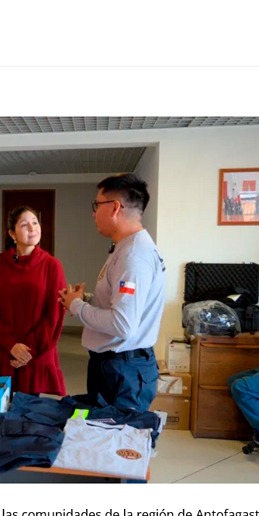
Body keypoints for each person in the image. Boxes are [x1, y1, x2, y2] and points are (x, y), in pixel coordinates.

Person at [59, 174, 166, 414]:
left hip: (122, 373)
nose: (93, 213)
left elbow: (122, 324)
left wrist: (77, 306)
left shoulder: (133, 256)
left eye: (97, 205)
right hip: (119, 367)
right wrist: (84, 300)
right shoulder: (128, 247)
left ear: (115, 207)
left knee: (113, 434)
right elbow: (122, 304)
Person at [0, 206, 67, 393]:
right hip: (4, 352)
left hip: (37, 353)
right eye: (25, 225)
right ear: (12, 233)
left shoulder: (52, 265)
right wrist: (11, 345)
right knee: (1, 405)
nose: (32, 228)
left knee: (30, 406)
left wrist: (28, 351)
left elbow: (54, 315)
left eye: (35, 223)